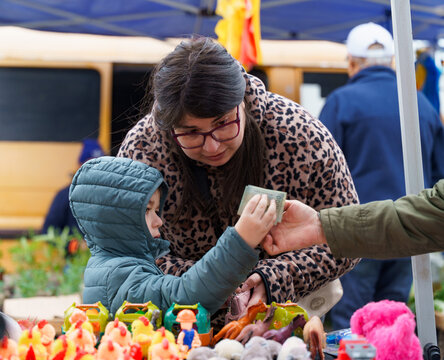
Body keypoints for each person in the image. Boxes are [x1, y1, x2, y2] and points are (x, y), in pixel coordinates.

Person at [117, 36, 359, 324]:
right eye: (191, 133)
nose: (212, 146)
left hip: (280, 320)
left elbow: (347, 236)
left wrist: (275, 278)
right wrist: (211, 282)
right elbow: (125, 248)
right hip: (179, 323)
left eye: (222, 124)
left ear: (242, 99)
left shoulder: (300, 136)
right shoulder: (143, 149)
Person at [318, 22, 444, 329]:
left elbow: (318, 174)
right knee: (393, 321)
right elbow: (440, 172)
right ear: (392, 61)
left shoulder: (341, 102)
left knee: (351, 324)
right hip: (412, 230)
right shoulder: (421, 104)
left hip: (354, 232)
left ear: (351, 63)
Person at [68, 156, 277, 315]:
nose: (159, 221)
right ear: (115, 219)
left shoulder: (117, 264)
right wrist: (241, 240)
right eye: (147, 210)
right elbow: (183, 298)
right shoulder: (117, 275)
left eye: (157, 210)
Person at [262, 179, 444, 258]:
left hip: (363, 223)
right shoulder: (425, 107)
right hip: (364, 227)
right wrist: (321, 225)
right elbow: (430, 213)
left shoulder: (340, 104)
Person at [42, 138, 105, 235]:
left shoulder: (107, 196)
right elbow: (49, 231)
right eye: (90, 165)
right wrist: (73, 246)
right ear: (80, 166)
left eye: (100, 165)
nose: (95, 170)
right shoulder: (64, 196)